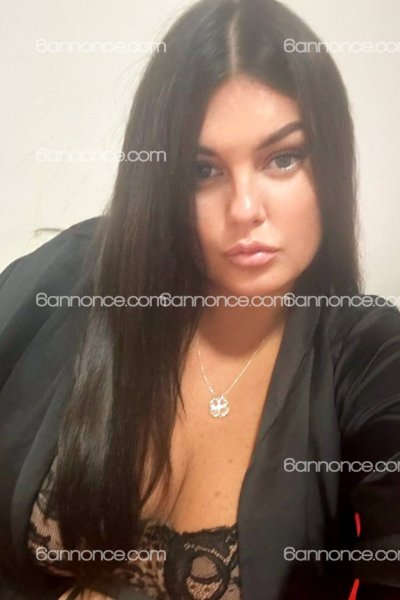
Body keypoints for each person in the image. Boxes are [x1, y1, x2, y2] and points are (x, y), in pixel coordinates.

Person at [1, 0, 400, 598]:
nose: (245, 209)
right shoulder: (69, 276)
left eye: (283, 159)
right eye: (202, 170)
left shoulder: (371, 357)